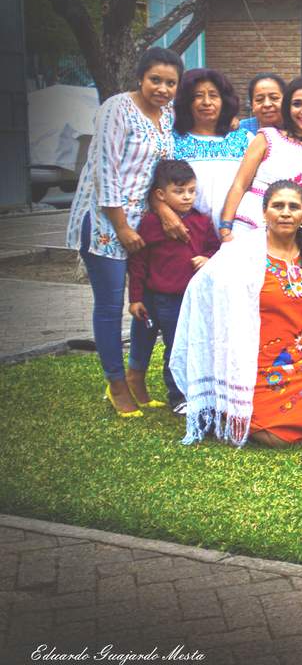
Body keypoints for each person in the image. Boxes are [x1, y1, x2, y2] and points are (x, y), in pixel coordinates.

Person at [174, 180, 302, 447]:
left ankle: (295, 422)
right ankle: (274, 421)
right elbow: (202, 289)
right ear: (264, 212)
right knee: (274, 438)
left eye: (294, 207)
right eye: (277, 206)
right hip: (257, 364)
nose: (285, 212)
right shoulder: (242, 253)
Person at [66, 46, 182, 417]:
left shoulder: (167, 116)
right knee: (111, 304)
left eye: (170, 83)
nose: (162, 89)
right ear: (140, 77)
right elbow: (104, 171)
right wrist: (120, 227)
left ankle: (136, 376)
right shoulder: (117, 109)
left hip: (144, 225)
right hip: (105, 222)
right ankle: (115, 382)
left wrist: (161, 209)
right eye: (155, 80)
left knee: (145, 302)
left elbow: (160, 172)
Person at [126, 159, 221, 415]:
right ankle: (172, 395)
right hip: (156, 296)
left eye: (191, 191)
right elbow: (138, 262)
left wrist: (208, 258)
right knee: (158, 343)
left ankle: (184, 392)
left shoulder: (202, 221)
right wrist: (135, 298)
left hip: (187, 298)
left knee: (180, 346)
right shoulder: (151, 223)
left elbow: (215, 248)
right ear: (160, 194)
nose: (187, 197)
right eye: (179, 192)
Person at [220, 77, 302, 245]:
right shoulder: (267, 137)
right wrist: (225, 229)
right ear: (287, 108)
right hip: (249, 227)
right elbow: (239, 184)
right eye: (297, 104)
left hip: (295, 234)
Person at [169, 68, 253, 219]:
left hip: (237, 232)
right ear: (186, 102)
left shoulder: (245, 139)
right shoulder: (171, 141)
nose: (206, 102)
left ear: (224, 101)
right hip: (188, 232)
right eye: (198, 96)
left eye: (213, 96)